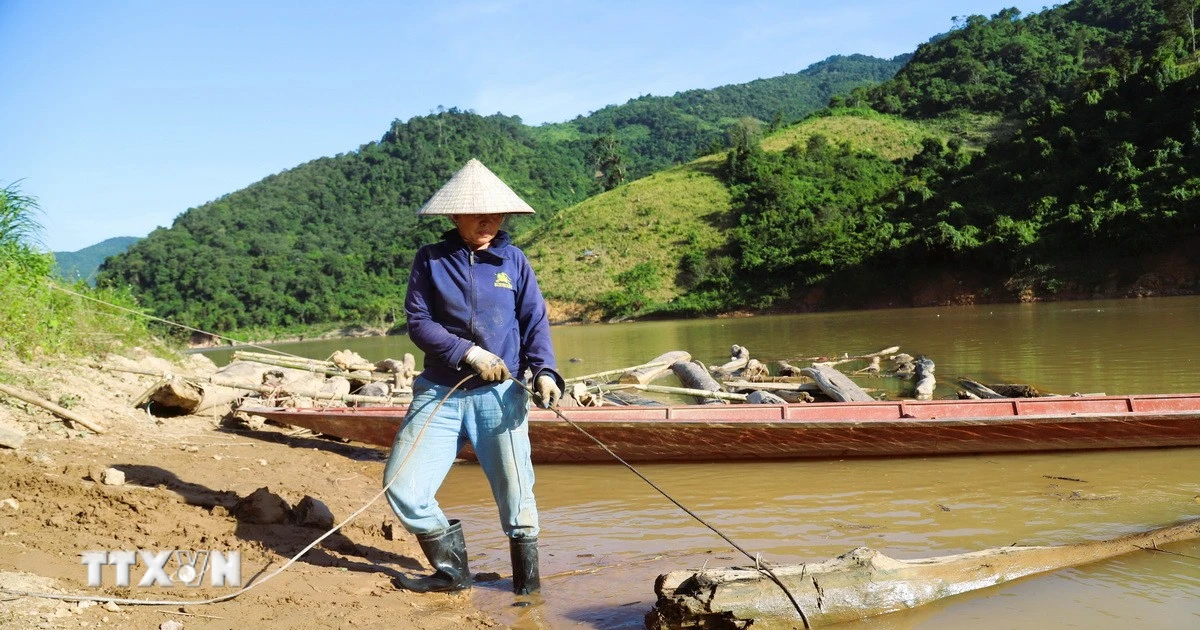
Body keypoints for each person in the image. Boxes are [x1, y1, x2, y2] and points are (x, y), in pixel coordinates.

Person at [382, 158, 564, 596]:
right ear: (454, 215)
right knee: (403, 486)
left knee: (517, 497)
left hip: (501, 395)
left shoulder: (514, 261)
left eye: (496, 213)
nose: (489, 221)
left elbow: (534, 321)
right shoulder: (430, 261)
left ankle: (528, 595)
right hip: (440, 393)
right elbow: (419, 323)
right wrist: (469, 352)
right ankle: (453, 572)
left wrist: (545, 371)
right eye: (478, 213)